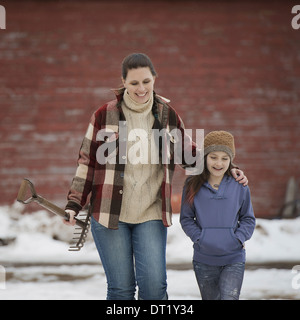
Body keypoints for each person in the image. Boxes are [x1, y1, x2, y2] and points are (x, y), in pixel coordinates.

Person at [62, 53, 248, 300]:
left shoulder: (167, 115)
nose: (141, 88)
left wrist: (228, 166)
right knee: (121, 290)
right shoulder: (103, 115)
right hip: (108, 214)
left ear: (154, 79)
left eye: (146, 81)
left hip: (150, 213)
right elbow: (87, 161)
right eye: (134, 83)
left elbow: (192, 156)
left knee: (154, 290)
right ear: (123, 82)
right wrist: (75, 202)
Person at [180, 130, 256, 300]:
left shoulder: (240, 185)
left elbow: (248, 218)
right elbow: (186, 218)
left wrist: (238, 238)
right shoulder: (192, 185)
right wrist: (200, 238)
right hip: (204, 258)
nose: (219, 163)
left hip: (233, 258)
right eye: (213, 157)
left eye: (224, 158)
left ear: (231, 160)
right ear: (205, 157)